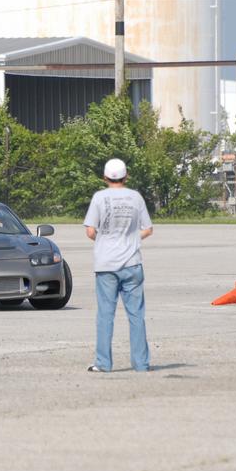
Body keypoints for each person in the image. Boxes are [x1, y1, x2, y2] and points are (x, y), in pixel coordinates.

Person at [83, 158, 153, 373]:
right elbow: (148, 229)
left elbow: (90, 230)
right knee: (136, 315)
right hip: (132, 263)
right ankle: (141, 363)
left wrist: (106, 241)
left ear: (105, 177)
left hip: (106, 264)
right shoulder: (135, 197)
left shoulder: (99, 198)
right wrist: (131, 240)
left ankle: (104, 363)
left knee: (105, 315)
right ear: (126, 176)